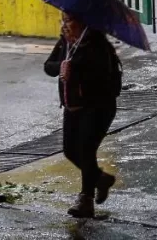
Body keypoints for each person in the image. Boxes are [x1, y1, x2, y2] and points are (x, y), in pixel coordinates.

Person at [44, 12, 122, 218]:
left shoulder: (97, 45)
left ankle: (85, 200)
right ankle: (101, 179)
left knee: (86, 151)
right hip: (72, 107)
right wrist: (60, 66)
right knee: (70, 151)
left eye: (69, 20)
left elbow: (101, 78)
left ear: (82, 22)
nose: (65, 24)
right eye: (63, 19)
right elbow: (48, 67)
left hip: (97, 107)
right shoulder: (65, 43)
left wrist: (75, 69)